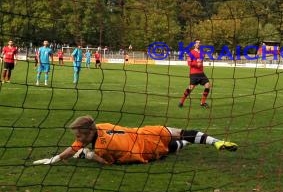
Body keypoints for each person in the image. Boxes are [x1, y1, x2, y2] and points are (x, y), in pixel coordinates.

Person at [32, 115, 237, 165]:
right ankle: (216, 142)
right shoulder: (100, 126)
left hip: (149, 152)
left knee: (174, 146)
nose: (76, 139)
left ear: (87, 134)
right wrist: (55, 158)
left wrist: (87, 154)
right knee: (183, 133)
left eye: (78, 136)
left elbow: (105, 161)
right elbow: (73, 148)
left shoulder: (103, 148)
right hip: (148, 132)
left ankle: (204, 143)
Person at [179, 39, 211, 108]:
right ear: (194, 44)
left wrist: (199, 62)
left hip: (201, 73)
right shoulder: (191, 53)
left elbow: (201, 60)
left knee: (208, 85)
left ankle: (203, 103)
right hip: (194, 73)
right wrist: (197, 64)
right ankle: (181, 101)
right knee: (190, 88)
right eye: (197, 43)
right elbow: (189, 63)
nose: (198, 44)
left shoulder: (202, 52)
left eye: (199, 43)